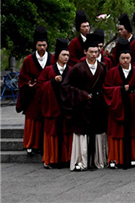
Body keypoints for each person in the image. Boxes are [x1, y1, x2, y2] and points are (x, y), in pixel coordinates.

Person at [61, 32, 108, 171]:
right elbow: (66, 86)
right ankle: (82, 161)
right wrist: (81, 94)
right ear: (85, 52)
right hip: (82, 106)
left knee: (98, 134)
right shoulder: (77, 68)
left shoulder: (103, 67)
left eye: (96, 52)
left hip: (97, 105)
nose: (94, 54)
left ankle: (98, 161)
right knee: (83, 134)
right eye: (91, 52)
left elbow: (107, 85)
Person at [102, 38, 135, 169]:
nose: (125, 60)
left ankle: (134, 157)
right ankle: (115, 158)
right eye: (123, 58)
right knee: (116, 131)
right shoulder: (112, 72)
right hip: (117, 106)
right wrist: (119, 90)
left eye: (128, 58)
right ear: (118, 58)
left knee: (133, 131)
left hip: (132, 105)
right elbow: (106, 89)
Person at [17, 26, 52, 155]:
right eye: (39, 45)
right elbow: (22, 78)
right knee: (32, 120)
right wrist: (28, 84)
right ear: (35, 45)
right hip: (32, 95)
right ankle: (30, 145)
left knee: (45, 119)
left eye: (44, 45)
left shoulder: (52, 58)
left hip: (46, 94)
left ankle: (43, 145)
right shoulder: (28, 60)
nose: (42, 48)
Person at [38, 38, 72, 169]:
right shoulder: (48, 70)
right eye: (64, 55)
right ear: (57, 55)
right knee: (52, 134)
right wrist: (52, 82)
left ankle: (66, 158)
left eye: (68, 55)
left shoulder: (71, 69)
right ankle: (51, 159)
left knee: (66, 134)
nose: (66, 57)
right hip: (53, 108)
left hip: (67, 108)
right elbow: (40, 87)